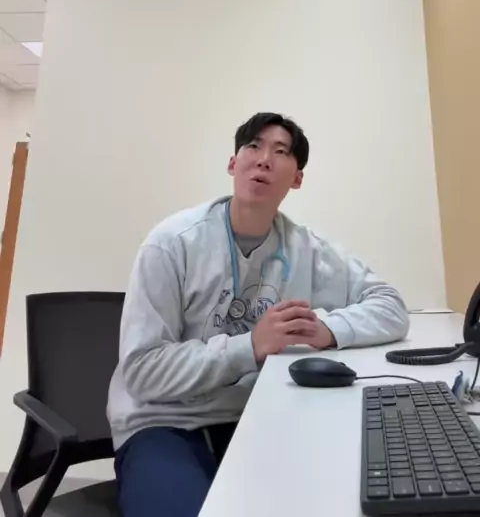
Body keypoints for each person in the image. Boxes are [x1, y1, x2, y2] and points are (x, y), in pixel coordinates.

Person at [107, 112, 409, 517]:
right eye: (253, 146)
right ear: (234, 164)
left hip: (256, 416)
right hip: (164, 422)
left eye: (280, 152)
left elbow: (390, 304)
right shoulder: (171, 244)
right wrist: (249, 346)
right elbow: (142, 372)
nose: (264, 159)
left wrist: (327, 329)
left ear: (297, 178)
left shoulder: (307, 249)